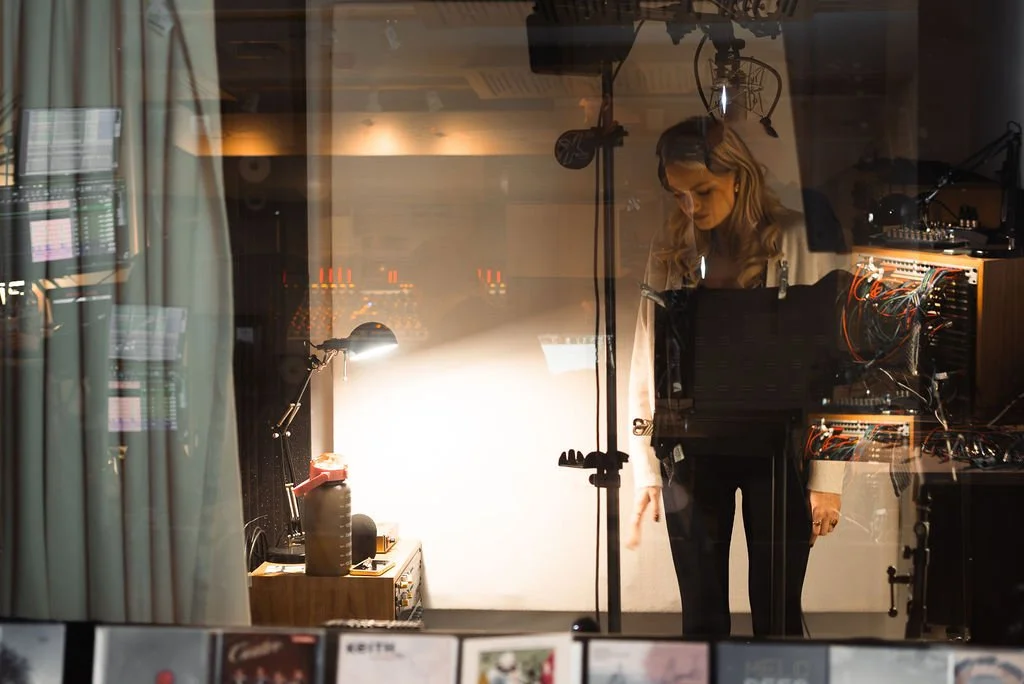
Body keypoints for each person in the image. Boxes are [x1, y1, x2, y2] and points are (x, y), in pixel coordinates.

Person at [626, 116, 847, 637]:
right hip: (692, 442)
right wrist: (645, 468)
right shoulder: (671, 244)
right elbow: (647, 353)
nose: (692, 208)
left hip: (779, 442)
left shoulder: (796, 238)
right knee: (700, 615)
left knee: (778, 612)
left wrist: (830, 478)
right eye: (679, 194)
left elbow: (836, 362)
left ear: (738, 177)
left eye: (702, 191)